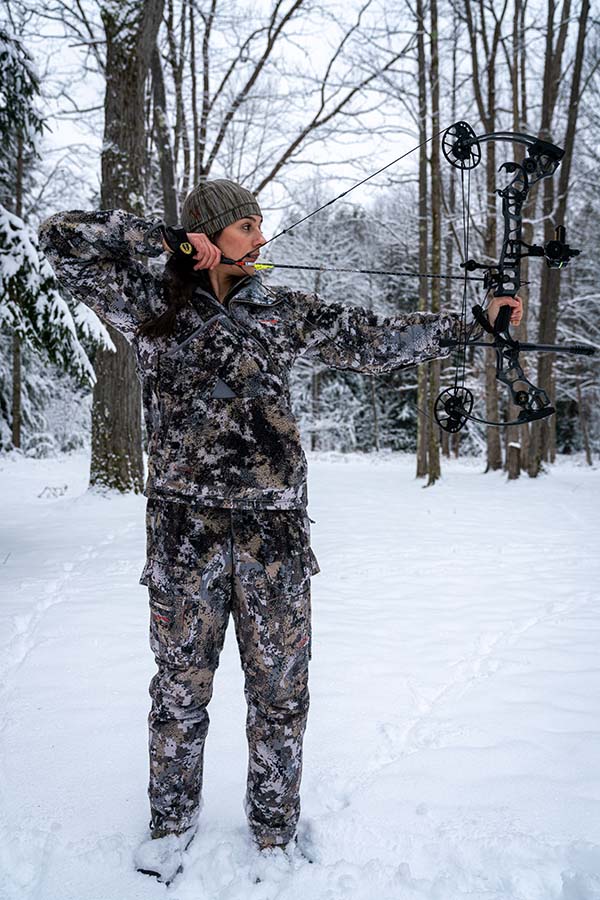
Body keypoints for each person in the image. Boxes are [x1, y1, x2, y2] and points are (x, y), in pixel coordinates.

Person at [38, 179, 522, 883]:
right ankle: (170, 826)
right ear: (206, 237)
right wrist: (163, 244)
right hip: (184, 532)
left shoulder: (282, 311)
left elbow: (374, 341)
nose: (260, 238)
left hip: (275, 537)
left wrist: (476, 323)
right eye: (244, 227)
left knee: (281, 691)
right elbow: (60, 238)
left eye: (262, 225)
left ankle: (273, 832)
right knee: (180, 686)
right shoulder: (149, 305)